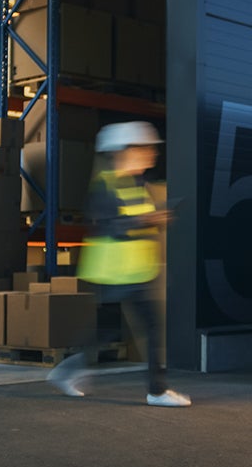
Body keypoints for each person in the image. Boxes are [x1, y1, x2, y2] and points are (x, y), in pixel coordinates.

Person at [47, 121, 191, 407]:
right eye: (144, 148)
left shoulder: (139, 185)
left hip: (136, 271)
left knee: (110, 330)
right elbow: (112, 226)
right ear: (123, 151)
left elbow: (137, 224)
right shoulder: (105, 187)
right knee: (142, 327)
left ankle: (69, 371)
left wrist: (157, 220)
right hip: (115, 272)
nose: (151, 154)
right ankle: (156, 391)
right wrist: (150, 220)